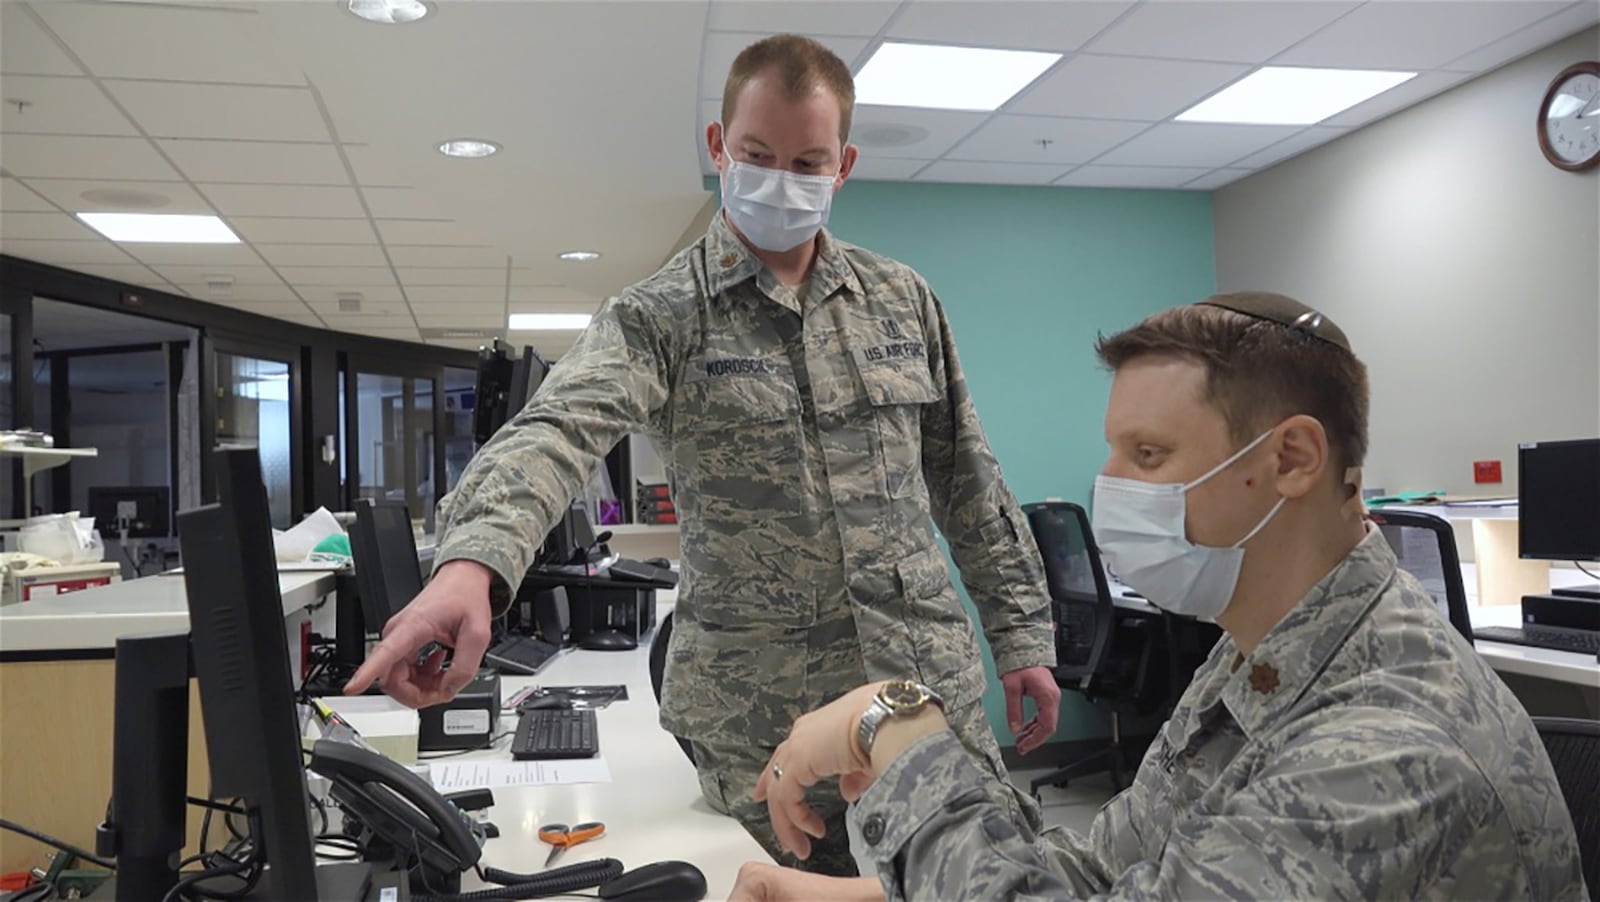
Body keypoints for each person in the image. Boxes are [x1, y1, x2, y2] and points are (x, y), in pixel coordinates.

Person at [346, 33, 1060, 875]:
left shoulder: (902, 300)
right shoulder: (661, 316)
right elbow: (559, 427)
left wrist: (1021, 633)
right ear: (720, 146)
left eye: (808, 161)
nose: (783, 180)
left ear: (845, 165)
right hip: (763, 719)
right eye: (759, 155)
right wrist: (473, 563)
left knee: (980, 883)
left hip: (921, 695)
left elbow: (968, 480)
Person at [732, 293, 1587, 900]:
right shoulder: (1259, 651)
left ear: (1291, 459)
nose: (1108, 486)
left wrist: (894, 725)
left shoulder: (1389, 751)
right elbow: (1113, 875)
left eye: (1146, 455)